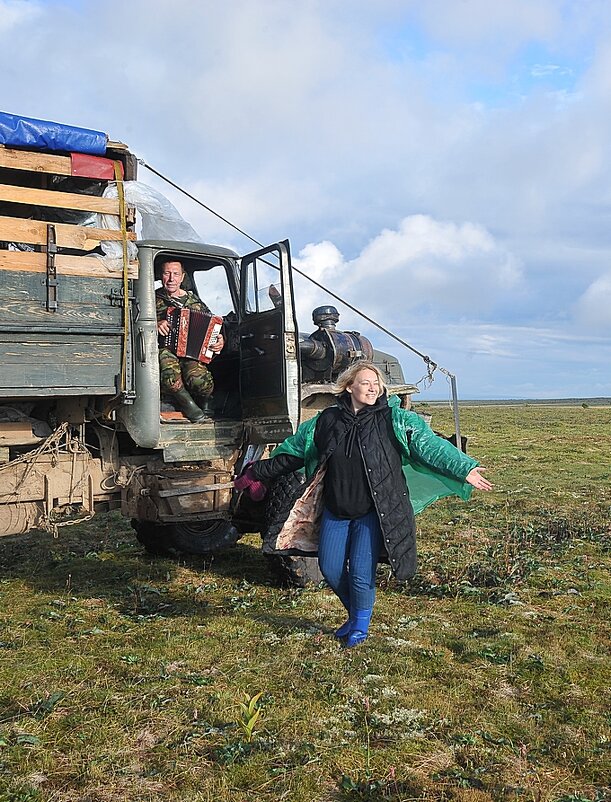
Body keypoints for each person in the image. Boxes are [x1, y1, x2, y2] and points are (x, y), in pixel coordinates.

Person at [235, 361, 492, 647]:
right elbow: (294, 454)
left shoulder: (395, 420)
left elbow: (428, 445)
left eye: (376, 383)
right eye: (366, 382)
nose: (373, 388)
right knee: (331, 569)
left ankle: (359, 625)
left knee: (360, 573)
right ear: (349, 386)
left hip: (374, 511)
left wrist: (462, 467)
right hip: (336, 509)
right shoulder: (327, 420)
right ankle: (356, 612)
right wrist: (257, 472)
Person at [156, 259, 224, 422]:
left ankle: (205, 401)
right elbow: (136, 322)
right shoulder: (152, 299)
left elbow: (213, 326)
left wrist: (219, 340)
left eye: (176, 274)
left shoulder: (195, 302)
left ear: (182, 277)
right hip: (164, 349)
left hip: (190, 354)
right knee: (169, 371)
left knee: (201, 381)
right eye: (167, 273)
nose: (171, 278)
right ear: (161, 276)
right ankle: (188, 405)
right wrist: (155, 323)